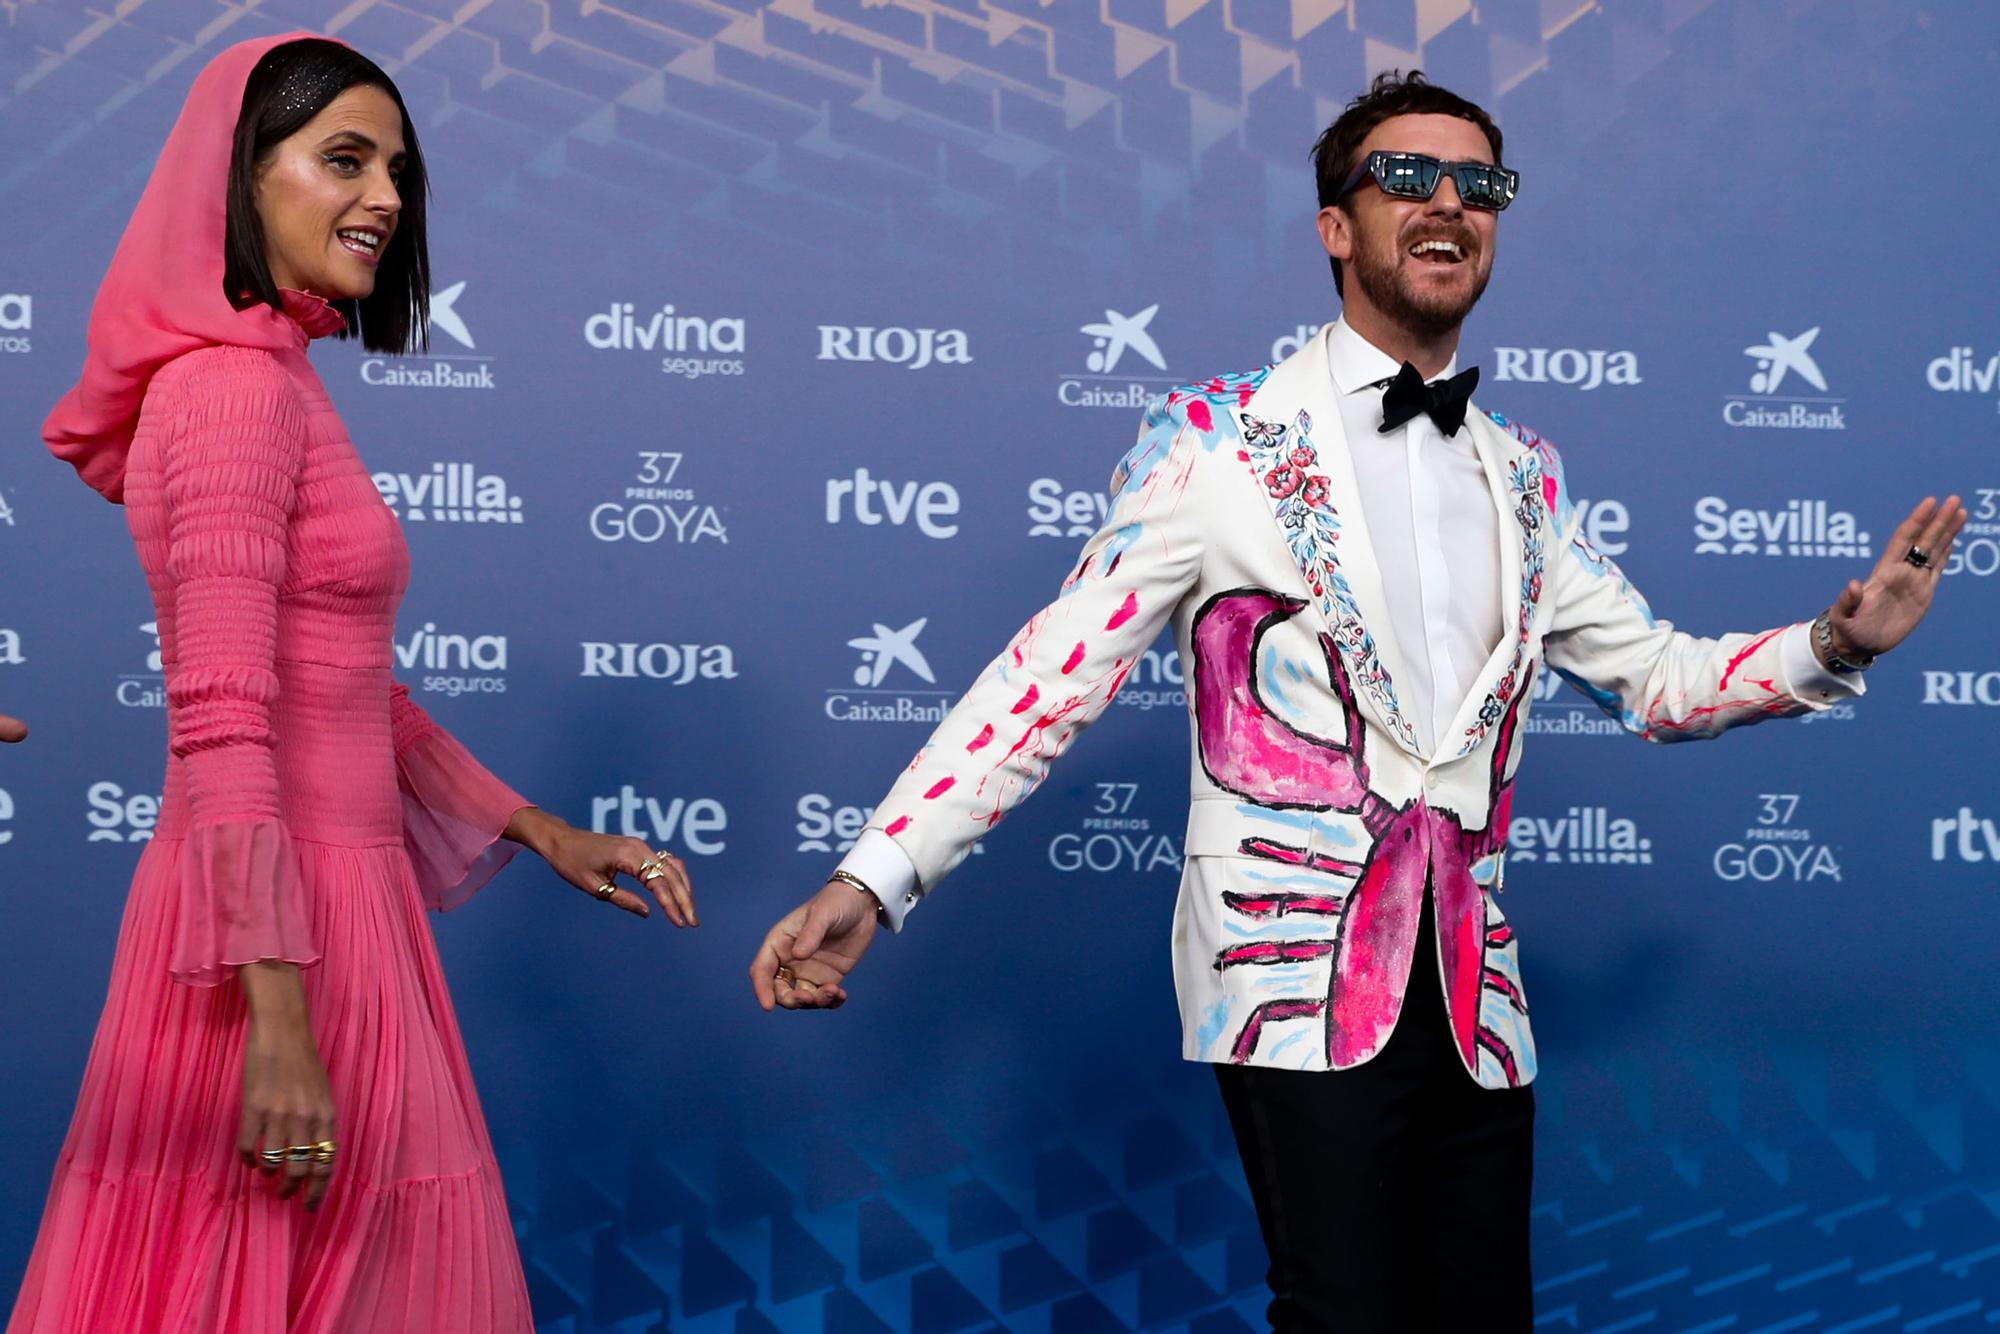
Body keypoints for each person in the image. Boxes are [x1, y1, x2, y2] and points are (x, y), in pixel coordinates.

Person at [751, 71, 1965, 1332]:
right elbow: (1046, 676)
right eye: (1404, 178)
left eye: (1477, 184)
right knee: (1343, 1317)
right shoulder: (1219, 443)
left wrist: (1833, 639)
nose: (1446, 203)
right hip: (1291, 977)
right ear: (1335, 226)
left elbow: (1654, 680)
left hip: (1474, 993)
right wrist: (872, 879)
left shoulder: (1523, 473)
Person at [11, 34, 696, 1333]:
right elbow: (223, 715)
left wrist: (539, 830)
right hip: (282, 930)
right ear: (242, 177)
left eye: (398, 166)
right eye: (342, 159)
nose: (386, 194)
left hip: (324, 911)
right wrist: (275, 1011)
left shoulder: (274, 378)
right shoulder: (227, 392)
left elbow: (347, 689)